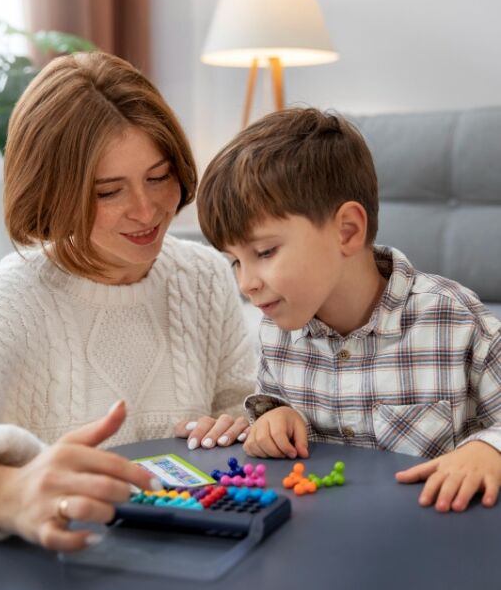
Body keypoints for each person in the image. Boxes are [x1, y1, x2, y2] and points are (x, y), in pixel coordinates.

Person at [0, 52, 255, 549]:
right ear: (52, 195)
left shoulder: (204, 275)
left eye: (159, 176)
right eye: (108, 191)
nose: (146, 210)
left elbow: (240, 401)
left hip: (194, 552)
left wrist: (243, 421)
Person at [196, 107, 501, 513]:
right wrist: (276, 418)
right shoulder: (278, 329)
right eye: (235, 261)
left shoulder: (455, 319)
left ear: (347, 231)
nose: (245, 282)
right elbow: (273, 402)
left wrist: (488, 451)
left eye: (264, 252)